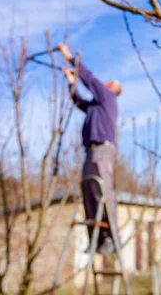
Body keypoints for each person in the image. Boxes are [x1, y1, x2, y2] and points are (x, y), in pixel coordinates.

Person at [58, 43, 122, 255]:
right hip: (90, 151)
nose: (105, 84)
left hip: (103, 150)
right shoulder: (96, 106)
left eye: (108, 83)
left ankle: (112, 237)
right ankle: (97, 237)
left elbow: (91, 81)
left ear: (112, 88)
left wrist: (70, 57)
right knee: (89, 191)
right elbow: (79, 101)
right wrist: (71, 83)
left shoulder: (108, 97)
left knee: (103, 189)